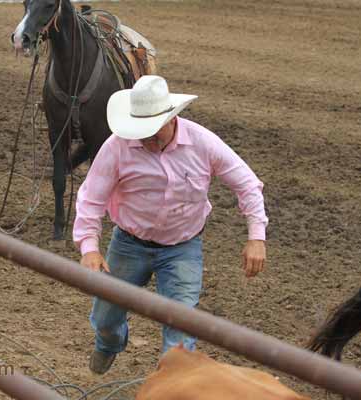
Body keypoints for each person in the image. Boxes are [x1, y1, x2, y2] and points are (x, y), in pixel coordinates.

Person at [73, 75, 268, 374]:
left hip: (182, 248)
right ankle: (109, 343)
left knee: (181, 337)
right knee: (105, 320)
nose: (147, 137)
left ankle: (171, 386)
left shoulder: (203, 142)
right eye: (142, 131)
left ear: (172, 117)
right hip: (128, 244)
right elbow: (91, 198)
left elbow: (247, 184)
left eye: (153, 130)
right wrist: (89, 247)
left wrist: (256, 237)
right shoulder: (117, 147)